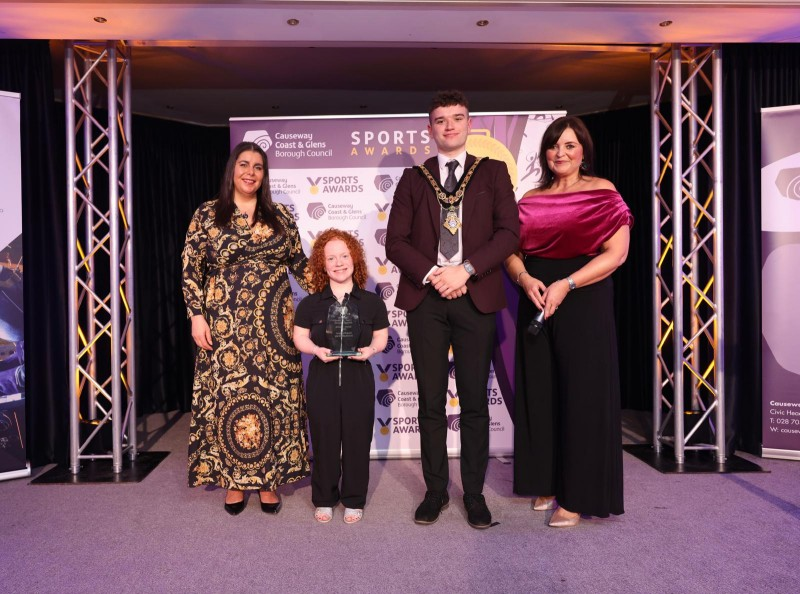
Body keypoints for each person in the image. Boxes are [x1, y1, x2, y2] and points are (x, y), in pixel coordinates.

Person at [386, 90, 520, 528]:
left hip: (475, 295)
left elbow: (508, 234)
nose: (449, 126)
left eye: (457, 118)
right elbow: (395, 243)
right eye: (440, 120)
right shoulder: (413, 179)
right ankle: (436, 490)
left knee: (475, 403)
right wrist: (435, 274)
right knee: (429, 401)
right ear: (430, 128)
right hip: (426, 300)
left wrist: (464, 270)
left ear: (469, 124)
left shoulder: (493, 173)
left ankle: (475, 494)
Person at [504, 115, 633, 527]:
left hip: (583, 297)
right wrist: (525, 279)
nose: (560, 153)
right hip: (536, 296)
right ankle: (546, 480)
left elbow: (616, 254)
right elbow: (511, 251)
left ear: (583, 152)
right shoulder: (530, 197)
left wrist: (567, 283)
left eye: (570, 146)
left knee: (582, 396)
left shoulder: (603, 192)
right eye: (554, 145)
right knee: (540, 393)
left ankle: (576, 496)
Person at [182, 141, 312, 515]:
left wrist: (337, 284)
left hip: (276, 326)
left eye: (258, 166)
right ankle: (235, 481)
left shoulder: (281, 215)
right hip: (226, 325)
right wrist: (196, 315)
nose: (250, 172)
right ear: (232, 170)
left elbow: (300, 264)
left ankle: (269, 481)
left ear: (264, 174)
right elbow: (191, 270)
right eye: (244, 164)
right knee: (227, 398)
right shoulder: (208, 215)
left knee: (275, 396)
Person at [292, 229, 389, 524]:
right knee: (324, 440)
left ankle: (354, 499)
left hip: (358, 378)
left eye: (344, 256)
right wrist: (316, 351)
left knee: (358, 440)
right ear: (322, 264)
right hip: (322, 378)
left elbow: (381, 338)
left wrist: (370, 351)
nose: (338, 263)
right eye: (331, 258)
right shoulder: (310, 303)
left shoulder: (372, 302)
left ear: (354, 259)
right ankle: (324, 498)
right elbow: (300, 338)